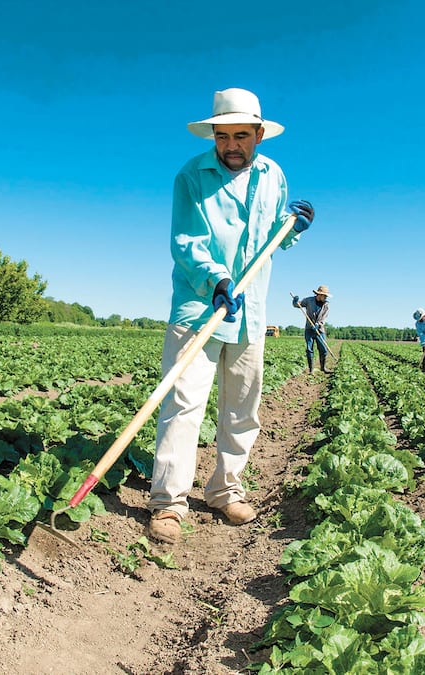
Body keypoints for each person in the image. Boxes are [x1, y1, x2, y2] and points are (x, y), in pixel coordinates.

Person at [148, 88, 315, 544]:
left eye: (242, 135)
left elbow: (272, 239)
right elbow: (186, 242)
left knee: (242, 407)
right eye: (223, 136)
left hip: (251, 310)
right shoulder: (191, 177)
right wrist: (216, 280)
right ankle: (169, 503)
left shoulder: (273, 176)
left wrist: (293, 229)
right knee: (183, 405)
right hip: (199, 306)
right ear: (214, 136)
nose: (231, 145)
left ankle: (226, 489)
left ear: (259, 135)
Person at [292, 285, 331, 373]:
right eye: (324, 296)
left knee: (323, 349)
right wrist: (295, 301)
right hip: (309, 329)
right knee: (309, 349)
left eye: (326, 296)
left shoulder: (326, 305)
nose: (325, 297)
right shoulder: (309, 300)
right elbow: (298, 305)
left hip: (319, 330)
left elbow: (324, 318)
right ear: (319, 294)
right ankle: (311, 370)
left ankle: (323, 367)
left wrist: (318, 324)